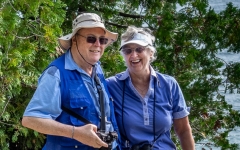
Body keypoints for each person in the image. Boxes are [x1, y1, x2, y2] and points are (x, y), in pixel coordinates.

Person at [22, 13, 119, 150]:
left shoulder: (97, 70)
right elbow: (30, 119)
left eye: (102, 40)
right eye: (91, 38)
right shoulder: (56, 74)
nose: (98, 44)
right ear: (74, 40)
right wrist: (76, 133)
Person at [106, 26, 195, 150]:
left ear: (151, 52)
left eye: (139, 49)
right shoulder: (111, 85)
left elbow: (183, 130)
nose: (133, 55)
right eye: (128, 51)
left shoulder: (169, 85)